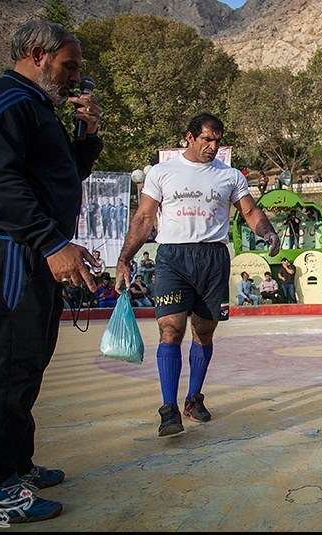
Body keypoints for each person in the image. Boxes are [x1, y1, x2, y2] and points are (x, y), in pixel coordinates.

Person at [0, 20, 103, 525]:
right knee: (9, 365)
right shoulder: (3, 100)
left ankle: (14, 464)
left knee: (30, 361)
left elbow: (62, 176)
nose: (75, 77)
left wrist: (87, 135)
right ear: (36, 54)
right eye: (68, 65)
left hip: (37, 248)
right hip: (15, 249)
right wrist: (51, 242)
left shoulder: (39, 107)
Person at [115, 113, 280, 438]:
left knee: (204, 333)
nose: (212, 146)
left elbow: (249, 211)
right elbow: (145, 216)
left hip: (213, 258)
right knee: (171, 330)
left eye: (217, 140)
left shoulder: (230, 175)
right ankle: (168, 409)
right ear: (188, 138)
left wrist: (269, 232)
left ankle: (194, 398)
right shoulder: (162, 172)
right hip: (174, 257)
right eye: (206, 139)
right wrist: (124, 258)